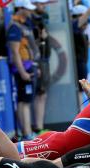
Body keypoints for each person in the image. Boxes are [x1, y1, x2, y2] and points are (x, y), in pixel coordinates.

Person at [7, 0, 39, 138]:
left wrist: (33, 66)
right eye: (27, 9)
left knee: (26, 100)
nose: (30, 11)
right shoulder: (14, 26)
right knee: (24, 101)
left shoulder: (24, 24)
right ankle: (27, 133)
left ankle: (27, 132)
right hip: (22, 69)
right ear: (19, 8)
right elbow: (15, 52)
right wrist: (22, 71)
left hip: (28, 66)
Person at [32, 0, 52, 134]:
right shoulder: (32, 24)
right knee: (39, 94)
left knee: (43, 94)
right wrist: (41, 39)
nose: (43, 7)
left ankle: (40, 125)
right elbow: (32, 45)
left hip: (44, 60)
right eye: (41, 4)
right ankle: (37, 126)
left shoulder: (42, 20)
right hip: (38, 62)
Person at [71, 2, 90, 90]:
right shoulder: (74, 25)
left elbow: (85, 45)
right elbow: (88, 13)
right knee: (80, 90)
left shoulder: (80, 31)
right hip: (78, 64)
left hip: (82, 63)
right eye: (85, 20)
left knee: (81, 90)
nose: (86, 23)